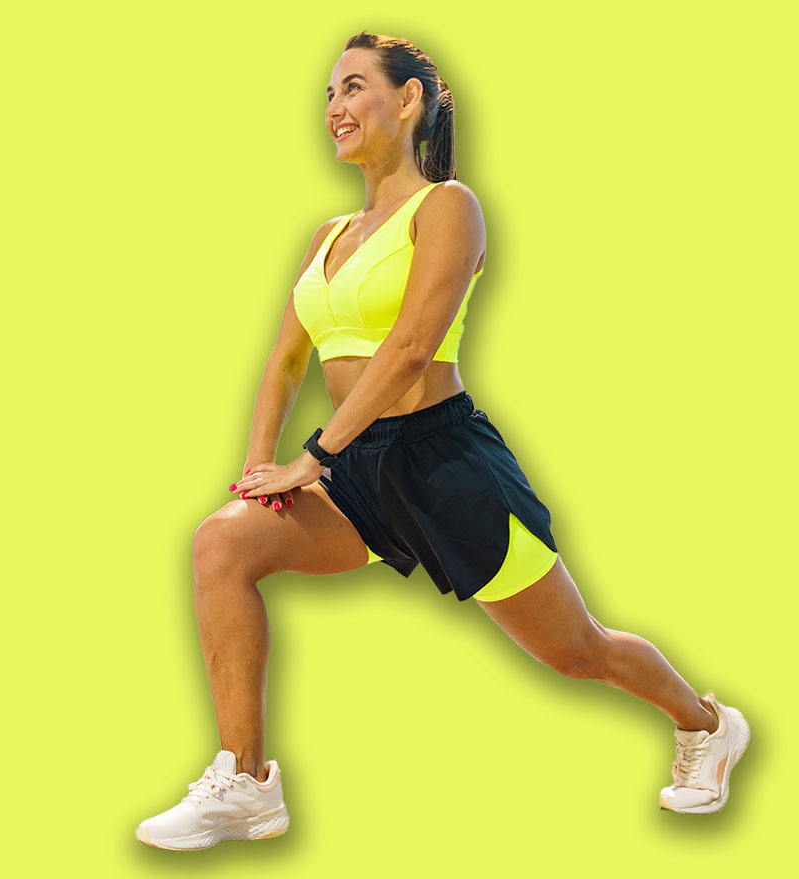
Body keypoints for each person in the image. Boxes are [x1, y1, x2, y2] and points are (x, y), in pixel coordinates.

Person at [136, 31, 749, 851]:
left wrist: (310, 457)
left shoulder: (448, 207)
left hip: (443, 460)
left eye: (354, 87)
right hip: (356, 473)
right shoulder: (326, 236)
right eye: (328, 94)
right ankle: (245, 783)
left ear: (409, 98)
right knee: (222, 543)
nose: (335, 107)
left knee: (577, 650)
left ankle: (706, 723)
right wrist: (258, 464)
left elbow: (411, 349)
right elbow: (284, 361)